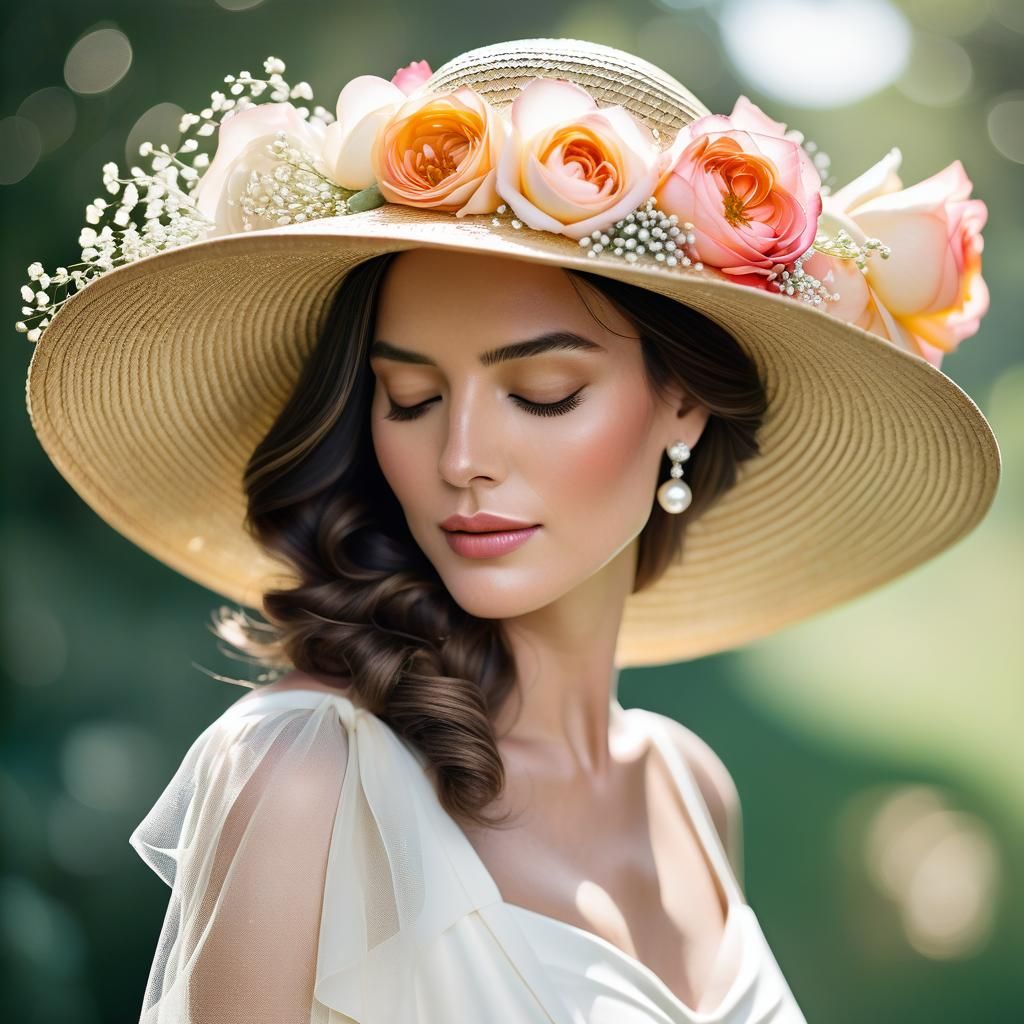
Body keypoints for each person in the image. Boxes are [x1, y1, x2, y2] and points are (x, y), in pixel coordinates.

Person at [18, 36, 999, 1024]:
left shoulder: (692, 792)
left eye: (542, 391)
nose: (461, 456)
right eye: (409, 398)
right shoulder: (306, 777)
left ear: (685, 405)